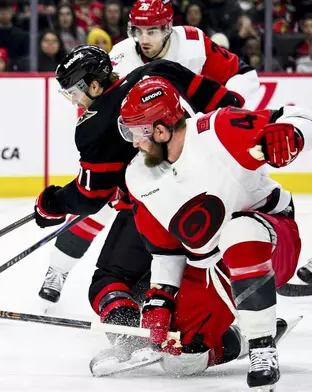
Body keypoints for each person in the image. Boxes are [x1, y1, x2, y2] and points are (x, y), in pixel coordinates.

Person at [37, 0, 261, 309]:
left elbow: (241, 78)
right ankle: (57, 271)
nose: (144, 39)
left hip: (171, 162)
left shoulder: (192, 44)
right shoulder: (127, 60)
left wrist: (55, 202)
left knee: (130, 241)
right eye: (138, 31)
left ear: (168, 28)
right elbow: (100, 113)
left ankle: (148, 304)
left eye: (152, 31)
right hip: (156, 158)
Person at [33, 44, 243, 362]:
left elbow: (90, 198)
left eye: (74, 91)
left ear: (93, 84)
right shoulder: (159, 71)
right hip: (211, 198)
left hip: (152, 209)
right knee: (171, 273)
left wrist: (53, 203)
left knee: (109, 281)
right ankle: (218, 335)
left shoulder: (92, 126)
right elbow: (229, 104)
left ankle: (131, 340)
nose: (74, 100)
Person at [120, 76, 309, 389]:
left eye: (138, 131)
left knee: (240, 230)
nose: (134, 141)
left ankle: (262, 347)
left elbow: (300, 115)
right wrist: (160, 299)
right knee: (180, 356)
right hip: (213, 265)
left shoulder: (217, 130)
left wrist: (293, 133)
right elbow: (167, 250)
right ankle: (246, 338)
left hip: (274, 241)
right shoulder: (139, 177)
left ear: (162, 128)